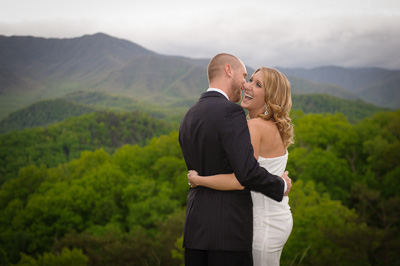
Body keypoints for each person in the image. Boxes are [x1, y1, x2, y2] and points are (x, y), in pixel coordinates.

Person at [178, 53, 292, 266]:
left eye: (257, 84)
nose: (246, 86)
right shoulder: (265, 125)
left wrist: (198, 179)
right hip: (238, 225)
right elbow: (246, 173)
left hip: (200, 226)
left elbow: (241, 177)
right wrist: (280, 183)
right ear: (229, 70)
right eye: (248, 78)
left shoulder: (189, 115)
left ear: (270, 96)